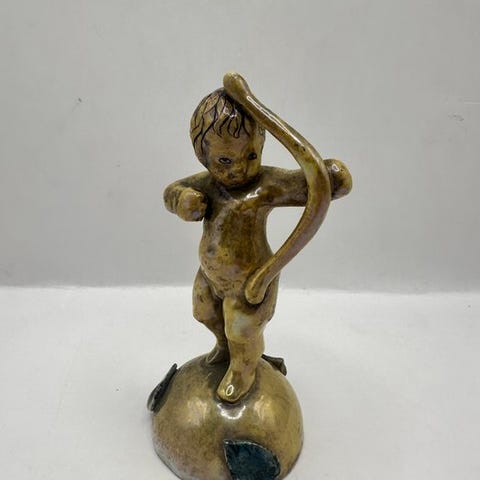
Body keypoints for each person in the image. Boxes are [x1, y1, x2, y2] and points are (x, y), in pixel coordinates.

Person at [164, 87, 351, 403]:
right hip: (210, 275)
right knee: (204, 311)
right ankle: (225, 347)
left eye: (250, 156)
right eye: (225, 160)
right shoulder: (207, 184)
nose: (238, 168)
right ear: (203, 157)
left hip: (253, 281)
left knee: (242, 329)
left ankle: (243, 370)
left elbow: (315, 185)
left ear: (262, 146)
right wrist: (182, 200)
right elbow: (172, 190)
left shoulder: (266, 186)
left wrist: (329, 176)